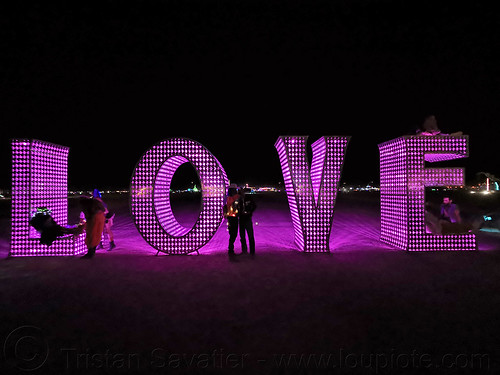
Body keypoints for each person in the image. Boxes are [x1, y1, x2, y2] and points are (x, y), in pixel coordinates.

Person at [238, 187, 257, 255]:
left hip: (248, 219)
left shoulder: (249, 199)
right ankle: (244, 251)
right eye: (240, 193)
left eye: (242, 192)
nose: (241, 194)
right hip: (241, 219)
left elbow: (254, 206)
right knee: (242, 236)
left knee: (250, 236)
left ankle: (252, 252)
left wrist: (250, 212)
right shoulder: (239, 200)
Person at [223, 184, 240, 256]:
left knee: (232, 233)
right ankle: (230, 249)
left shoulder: (227, 198)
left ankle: (230, 249)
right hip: (233, 217)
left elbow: (225, 207)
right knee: (233, 233)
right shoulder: (235, 197)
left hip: (230, 217)